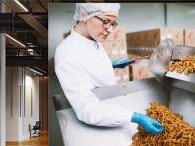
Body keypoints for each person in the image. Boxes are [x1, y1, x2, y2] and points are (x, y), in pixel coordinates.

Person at [55, 3, 163, 134]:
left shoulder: (92, 40)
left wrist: (111, 65)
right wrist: (135, 117)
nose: (110, 30)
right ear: (85, 16)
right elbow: (87, 110)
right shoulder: (67, 53)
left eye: (113, 24)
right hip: (99, 123)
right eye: (106, 21)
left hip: (112, 108)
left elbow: (87, 67)